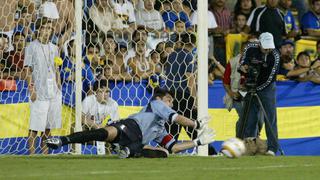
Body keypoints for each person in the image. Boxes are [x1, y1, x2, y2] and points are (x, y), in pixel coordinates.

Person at [45, 88, 215, 158]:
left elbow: (174, 147)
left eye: (171, 102)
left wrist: (197, 142)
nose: (171, 104)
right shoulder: (156, 105)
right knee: (102, 134)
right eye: (168, 100)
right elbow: (177, 118)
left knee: (164, 153)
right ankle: (62, 141)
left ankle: (127, 150)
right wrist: (196, 124)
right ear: (159, 99)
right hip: (130, 126)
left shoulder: (160, 130)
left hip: (136, 140)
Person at [23, 17, 62, 155]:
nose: (47, 31)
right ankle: (32, 154)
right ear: (39, 29)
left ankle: (45, 154)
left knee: (48, 128)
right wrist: (31, 88)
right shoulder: (31, 47)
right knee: (35, 126)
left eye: (49, 28)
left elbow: (56, 69)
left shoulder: (55, 48)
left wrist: (59, 85)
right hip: (38, 92)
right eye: (44, 27)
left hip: (53, 92)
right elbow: (27, 69)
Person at [238, 32, 280, 156]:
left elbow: (270, 78)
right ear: (259, 43)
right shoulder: (250, 48)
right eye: (265, 47)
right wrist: (243, 68)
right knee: (250, 118)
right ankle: (249, 147)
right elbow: (241, 64)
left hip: (267, 88)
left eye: (269, 47)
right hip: (251, 84)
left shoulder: (275, 55)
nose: (267, 50)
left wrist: (256, 89)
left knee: (270, 117)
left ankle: (272, 148)